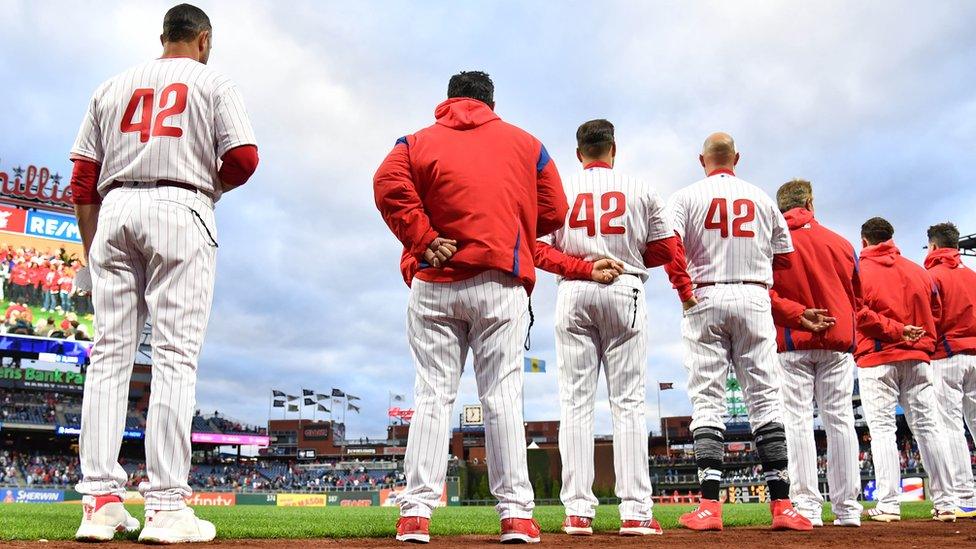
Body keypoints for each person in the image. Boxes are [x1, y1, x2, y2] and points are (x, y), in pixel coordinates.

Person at [68, 4, 258, 543]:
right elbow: (243, 157)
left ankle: (100, 503)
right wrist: (207, 184)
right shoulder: (212, 79)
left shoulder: (113, 84)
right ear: (203, 39)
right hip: (182, 206)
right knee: (174, 356)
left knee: (108, 356)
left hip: (115, 209)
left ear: (162, 37)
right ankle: (167, 506)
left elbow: (83, 177)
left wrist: (91, 249)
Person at [374, 70, 567, 544]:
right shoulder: (528, 144)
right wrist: (509, 228)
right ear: (490, 101)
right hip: (499, 282)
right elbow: (556, 211)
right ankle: (516, 515)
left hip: (435, 279)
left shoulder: (415, 141)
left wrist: (423, 236)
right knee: (501, 397)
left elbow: (386, 183)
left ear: (448, 100)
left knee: (432, 396)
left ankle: (416, 513)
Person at [533, 119, 679, 537]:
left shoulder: (560, 189)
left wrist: (580, 263)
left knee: (575, 403)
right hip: (624, 287)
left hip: (575, 288)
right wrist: (627, 255)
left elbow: (536, 246)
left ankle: (578, 512)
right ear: (614, 148)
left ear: (579, 153)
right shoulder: (641, 186)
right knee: (629, 404)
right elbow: (667, 248)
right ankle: (635, 512)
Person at [664, 133, 812, 531]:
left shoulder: (685, 196)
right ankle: (782, 505)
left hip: (704, 294)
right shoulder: (763, 198)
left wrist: (684, 288)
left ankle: (710, 507)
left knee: (708, 400)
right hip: (753, 294)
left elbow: (669, 246)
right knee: (765, 396)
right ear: (737, 158)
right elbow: (783, 259)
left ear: (702, 160)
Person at [768, 179, 863, 527]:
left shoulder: (771, 244)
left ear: (780, 208)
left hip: (793, 341)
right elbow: (858, 299)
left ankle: (807, 506)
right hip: (836, 341)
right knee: (839, 420)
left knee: (796, 420)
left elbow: (765, 294)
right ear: (809, 202)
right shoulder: (842, 243)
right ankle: (848, 509)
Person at [854, 217, 958, 522]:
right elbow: (937, 314)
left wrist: (896, 331)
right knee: (928, 428)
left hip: (877, 357)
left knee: (884, 431)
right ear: (891, 238)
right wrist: (917, 337)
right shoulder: (918, 271)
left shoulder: (860, 271)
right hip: (917, 357)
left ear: (864, 242)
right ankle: (947, 502)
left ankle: (888, 505)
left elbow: (859, 315)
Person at [924, 222, 976, 518]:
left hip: (947, 356)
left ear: (933, 246)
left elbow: (931, 319)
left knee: (950, 427)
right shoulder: (973, 275)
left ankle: (965, 496)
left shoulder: (932, 276)